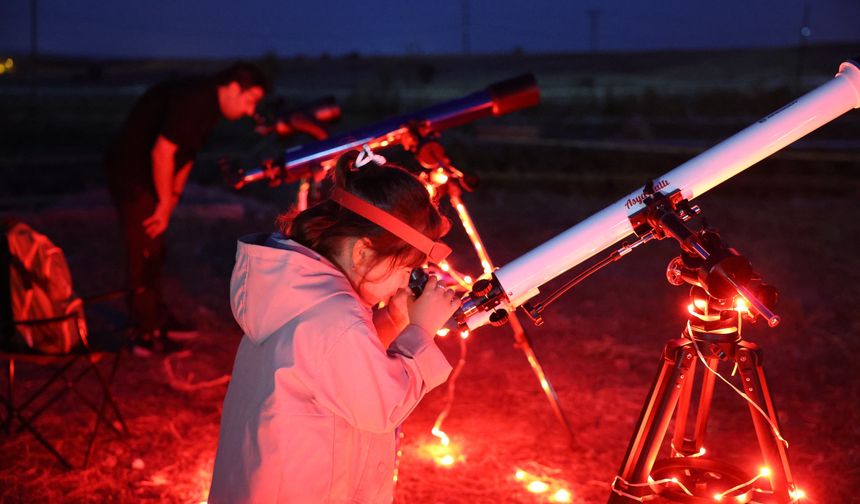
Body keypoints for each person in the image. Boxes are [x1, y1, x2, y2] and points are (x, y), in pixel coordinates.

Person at [208, 151, 460, 503]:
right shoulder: (335, 316)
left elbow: (338, 365)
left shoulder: (302, 294)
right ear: (362, 253)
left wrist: (393, 319)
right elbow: (380, 405)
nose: (404, 284)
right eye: (405, 270)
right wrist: (420, 333)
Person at [104, 62, 270, 356]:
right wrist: (165, 203)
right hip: (133, 175)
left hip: (150, 178)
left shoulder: (209, 108)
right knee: (143, 248)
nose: (249, 110)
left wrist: (173, 195)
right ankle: (144, 332)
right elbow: (163, 151)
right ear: (233, 87)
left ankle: (158, 317)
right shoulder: (195, 99)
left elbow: (186, 154)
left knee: (155, 248)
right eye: (250, 100)